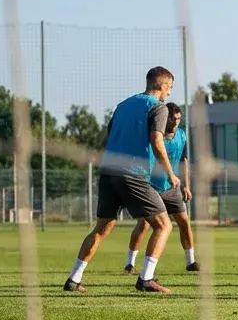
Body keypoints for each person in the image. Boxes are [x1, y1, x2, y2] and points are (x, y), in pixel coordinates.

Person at [64, 66, 178, 294]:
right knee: (164, 225)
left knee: (101, 228)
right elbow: (157, 142)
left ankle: (74, 279)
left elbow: (106, 139)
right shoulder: (159, 108)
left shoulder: (122, 106)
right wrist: (170, 173)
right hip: (132, 173)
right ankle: (146, 279)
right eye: (170, 88)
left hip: (109, 171)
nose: (170, 93)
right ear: (163, 85)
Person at [123, 102, 197, 275]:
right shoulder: (155, 136)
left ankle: (191, 262)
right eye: (173, 118)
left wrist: (186, 185)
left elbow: (183, 162)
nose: (176, 122)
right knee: (143, 225)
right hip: (151, 186)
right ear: (165, 118)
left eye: (179, 119)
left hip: (172, 187)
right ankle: (129, 264)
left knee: (184, 222)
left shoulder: (182, 135)